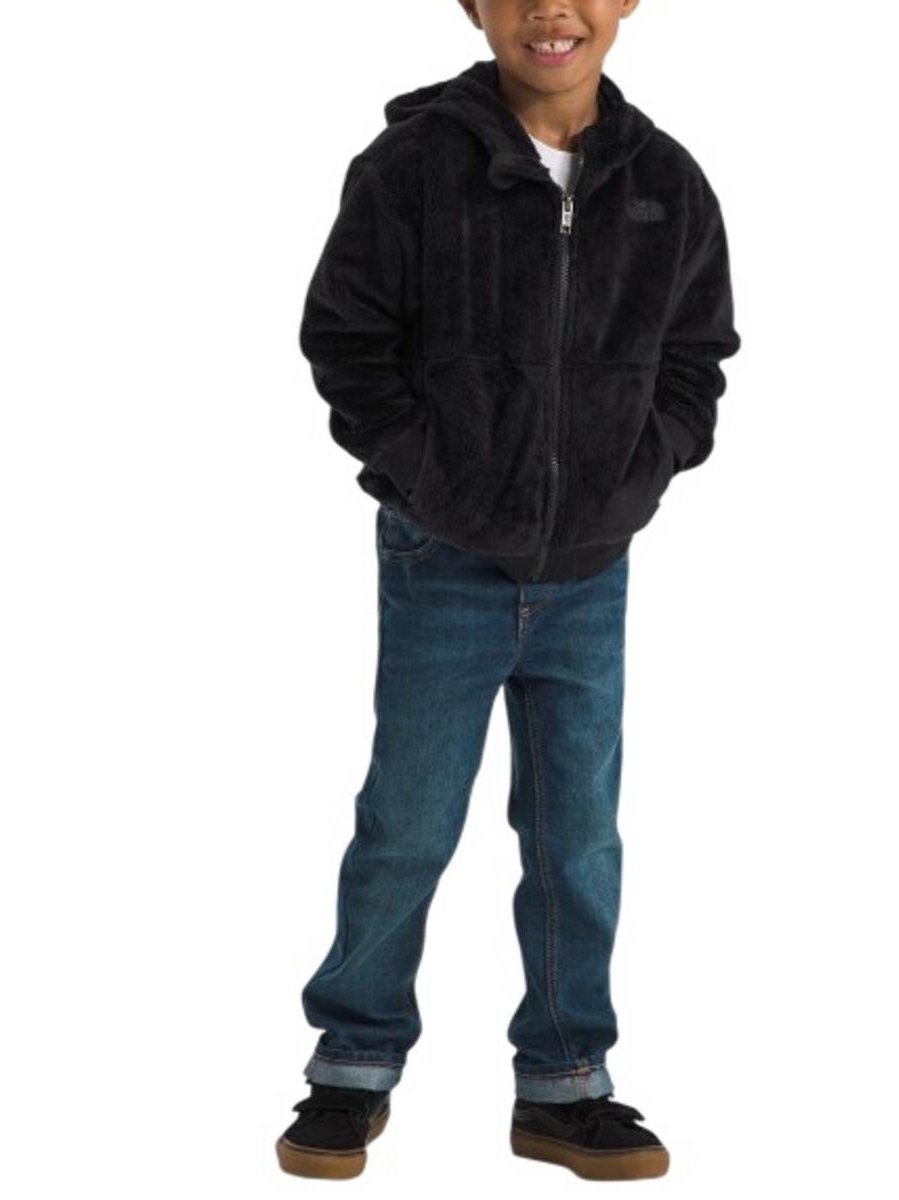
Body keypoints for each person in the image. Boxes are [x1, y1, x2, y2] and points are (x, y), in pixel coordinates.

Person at [276, 0, 741, 1182]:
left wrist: (639, 472)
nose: (552, 10)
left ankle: (566, 1080)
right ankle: (353, 1063)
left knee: (578, 835)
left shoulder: (666, 182)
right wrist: (432, 482)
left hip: (592, 568)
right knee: (408, 822)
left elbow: (698, 357)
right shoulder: (413, 167)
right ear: (473, 6)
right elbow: (346, 339)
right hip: (443, 560)